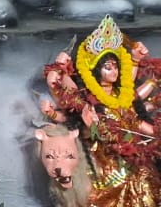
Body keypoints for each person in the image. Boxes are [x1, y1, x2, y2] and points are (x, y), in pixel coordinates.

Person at [40, 16, 161, 206]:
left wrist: (157, 132)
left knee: (146, 177)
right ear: (95, 71)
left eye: (116, 67)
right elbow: (78, 120)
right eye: (108, 67)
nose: (114, 72)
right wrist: (59, 71)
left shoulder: (125, 96)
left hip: (133, 158)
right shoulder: (88, 99)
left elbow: (137, 124)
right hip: (103, 161)